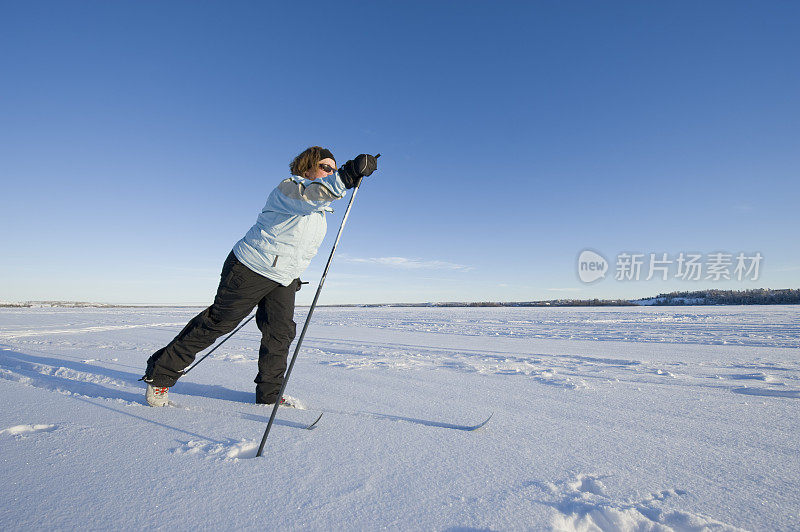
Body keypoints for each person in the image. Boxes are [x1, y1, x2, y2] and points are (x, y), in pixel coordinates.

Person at [142, 146, 378, 407]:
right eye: (326, 167)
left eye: (334, 169)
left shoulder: (320, 209)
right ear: (306, 167)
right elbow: (312, 197)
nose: (330, 172)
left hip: (283, 278)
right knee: (218, 323)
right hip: (250, 268)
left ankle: (269, 396)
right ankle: (160, 374)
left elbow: (295, 244)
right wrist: (346, 175)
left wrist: (292, 274)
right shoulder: (290, 189)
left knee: (280, 334)